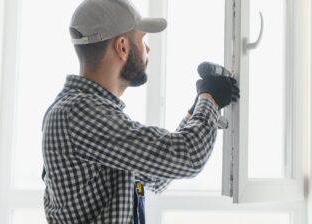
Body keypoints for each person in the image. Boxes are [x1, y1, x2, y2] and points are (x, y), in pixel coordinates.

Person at [41, 0, 239, 223]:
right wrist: (209, 98)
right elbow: (189, 157)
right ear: (122, 46)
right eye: (142, 39)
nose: (148, 49)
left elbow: (157, 177)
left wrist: (195, 111)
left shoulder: (88, 113)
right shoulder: (78, 113)